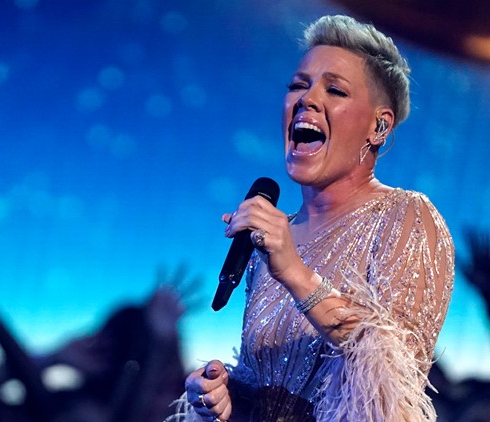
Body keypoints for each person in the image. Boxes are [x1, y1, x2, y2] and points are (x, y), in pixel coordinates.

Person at [173, 14, 455, 422]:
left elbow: (397, 373)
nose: (307, 99)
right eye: (298, 85)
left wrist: (295, 271)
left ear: (379, 125)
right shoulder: (272, 242)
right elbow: (272, 387)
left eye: (335, 89)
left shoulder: (407, 216)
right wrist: (229, 400)